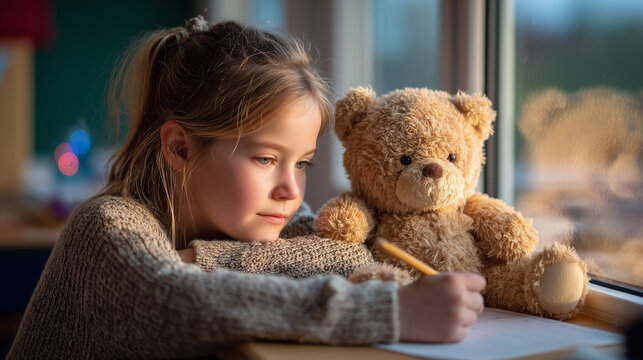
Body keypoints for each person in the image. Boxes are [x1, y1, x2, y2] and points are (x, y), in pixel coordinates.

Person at [7, 17, 486, 359]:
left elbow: (350, 254)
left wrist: (212, 258)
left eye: (301, 164)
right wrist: (388, 311)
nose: (289, 190)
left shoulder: (247, 223)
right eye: (265, 159)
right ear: (179, 150)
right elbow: (175, 302)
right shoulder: (106, 226)